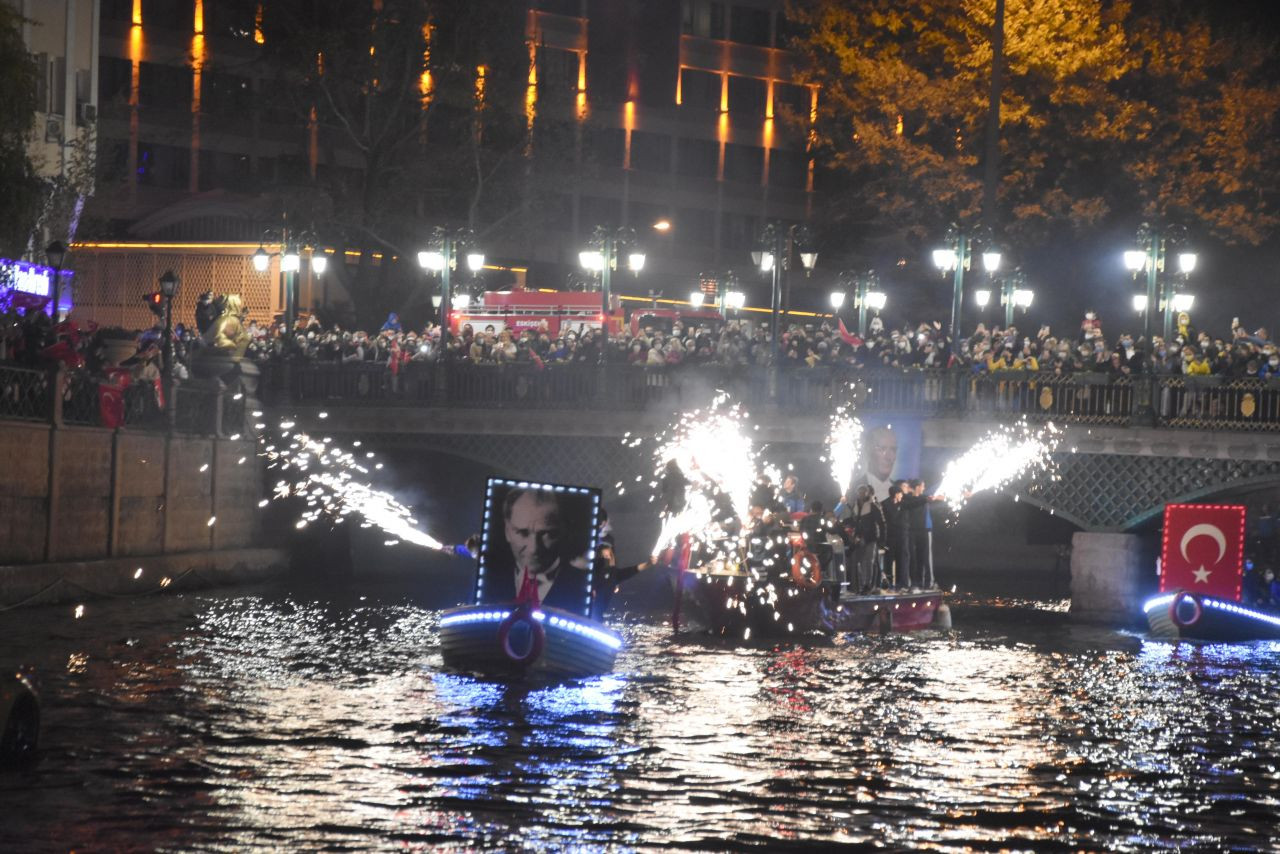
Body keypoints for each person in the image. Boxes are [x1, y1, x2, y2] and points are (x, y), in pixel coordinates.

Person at [847, 485, 886, 594]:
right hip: (859, 538)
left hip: (870, 538)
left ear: (868, 493)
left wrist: (882, 539)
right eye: (860, 492)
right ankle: (860, 585)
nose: (861, 494)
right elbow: (855, 521)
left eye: (864, 492)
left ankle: (867, 585)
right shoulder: (856, 506)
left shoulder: (872, 506)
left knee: (868, 562)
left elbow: (881, 523)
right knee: (858, 562)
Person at [851, 425, 898, 502]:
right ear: (868, 451)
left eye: (893, 449)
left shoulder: (898, 489)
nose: (888, 457)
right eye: (882, 449)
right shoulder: (853, 489)